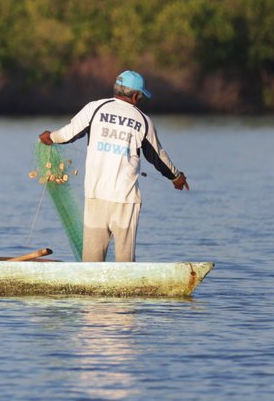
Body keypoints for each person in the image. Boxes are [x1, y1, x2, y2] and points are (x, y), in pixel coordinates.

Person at [38, 70, 188, 262]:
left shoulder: (95, 108)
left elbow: (67, 135)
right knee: (125, 262)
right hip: (125, 200)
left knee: (91, 262)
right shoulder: (143, 120)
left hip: (95, 195)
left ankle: (89, 288)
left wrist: (50, 137)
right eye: (140, 96)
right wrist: (176, 177)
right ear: (135, 96)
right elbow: (158, 157)